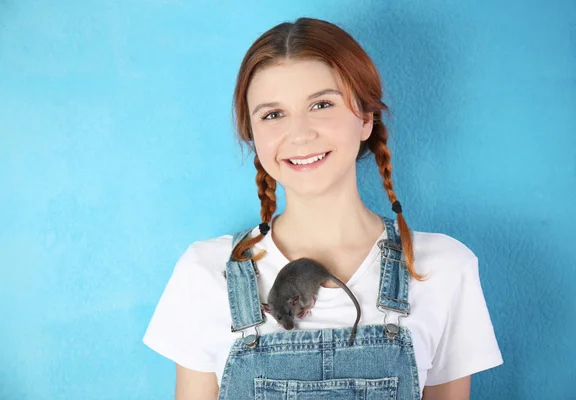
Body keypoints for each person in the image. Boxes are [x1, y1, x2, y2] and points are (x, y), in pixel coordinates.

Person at [143, 17, 503, 400]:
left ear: (366, 118)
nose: (300, 133)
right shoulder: (206, 273)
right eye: (273, 114)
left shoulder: (442, 268)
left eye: (321, 104)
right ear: (253, 135)